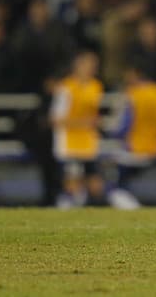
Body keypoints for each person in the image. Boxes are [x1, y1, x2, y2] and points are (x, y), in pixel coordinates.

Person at [107, 63, 156, 210]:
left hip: (134, 149)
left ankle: (131, 207)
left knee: (109, 173)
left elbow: (122, 127)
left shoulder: (132, 94)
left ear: (135, 74)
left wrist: (107, 130)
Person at [50, 51, 105, 208]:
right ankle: (62, 212)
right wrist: (84, 123)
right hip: (69, 144)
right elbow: (55, 119)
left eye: (94, 66)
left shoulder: (96, 86)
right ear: (77, 66)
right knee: (72, 185)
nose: (92, 69)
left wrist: (96, 123)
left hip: (89, 144)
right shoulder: (65, 88)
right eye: (88, 65)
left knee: (95, 185)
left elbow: (94, 115)